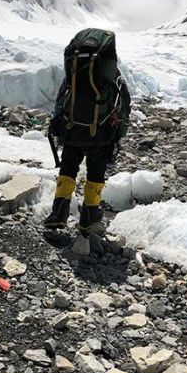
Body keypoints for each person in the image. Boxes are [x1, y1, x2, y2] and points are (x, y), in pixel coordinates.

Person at [45, 28, 131, 234]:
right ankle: (89, 216)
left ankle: (59, 212)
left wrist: (58, 126)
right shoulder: (113, 79)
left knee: (68, 168)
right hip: (101, 135)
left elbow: (61, 100)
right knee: (95, 172)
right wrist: (119, 133)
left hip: (72, 130)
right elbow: (124, 106)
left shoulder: (74, 77)